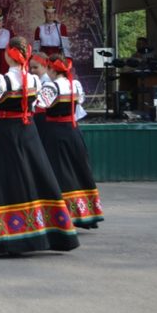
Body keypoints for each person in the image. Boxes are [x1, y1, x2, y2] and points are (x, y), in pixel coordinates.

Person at [0, 36, 79, 257]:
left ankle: (10, 239)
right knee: (36, 176)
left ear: (8, 53)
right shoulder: (34, 80)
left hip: (8, 133)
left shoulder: (2, 81)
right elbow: (42, 102)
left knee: (6, 180)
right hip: (29, 131)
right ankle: (50, 232)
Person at [36, 54, 103, 230]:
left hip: (55, 133)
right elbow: (80, 102)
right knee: (79, 169)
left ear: (51, 68)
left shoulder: (51, 86)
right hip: (73, 132)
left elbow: (39, 103)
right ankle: (86, 214)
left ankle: (62, 215)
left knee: (59, 171)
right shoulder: (75, 84)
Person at [29, 51, 51, 139]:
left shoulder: (47, 82)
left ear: (45, 66)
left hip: (44, 119)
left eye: (35, 67)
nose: (32, 70)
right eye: (31, 68)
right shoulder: (36, 80)